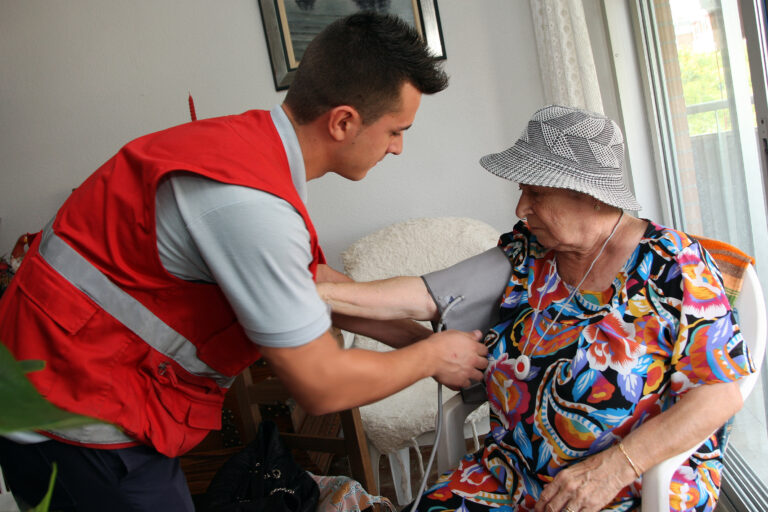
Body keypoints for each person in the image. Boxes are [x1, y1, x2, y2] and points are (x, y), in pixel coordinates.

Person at [0, 12, 488, 512]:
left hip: (76, 383)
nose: (399, 147)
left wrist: (418, 336)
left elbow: (305, 282)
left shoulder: (249, 146)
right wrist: (432, 358)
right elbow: (321, 384)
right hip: (69, 413)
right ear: (343, 121)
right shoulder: (250, 207)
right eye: (395, 130)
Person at [317, 105, 755, 511]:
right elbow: (426, 296)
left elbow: (720, 392)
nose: (520, 207)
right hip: (511, 476)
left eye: (535, 192)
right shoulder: (527, 252)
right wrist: (319, 292)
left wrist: (615, 467)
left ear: (592, 195)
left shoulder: (675, 265)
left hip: (622, 490)